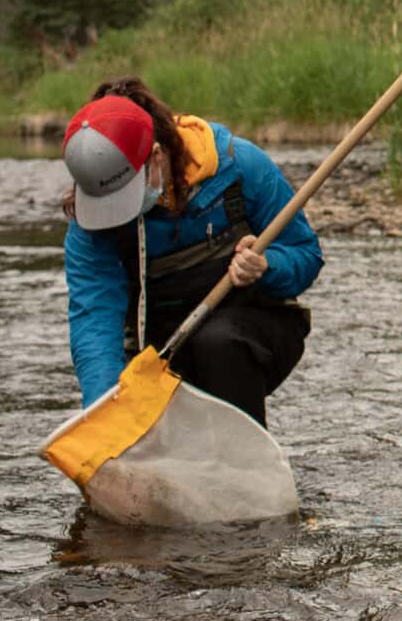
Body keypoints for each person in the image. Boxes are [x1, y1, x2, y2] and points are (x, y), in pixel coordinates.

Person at [59, 77, 321, 428]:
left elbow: (305, 254)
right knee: (120, 397)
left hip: (250, 333)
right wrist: (104, 416)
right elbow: (95, 319)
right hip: (159, 348)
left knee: (217, 344)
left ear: (156, 157)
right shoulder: (90, 221)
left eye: (122, 196)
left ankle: (243, 463)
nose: (113, 212)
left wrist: (267, 265)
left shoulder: (239, 167)